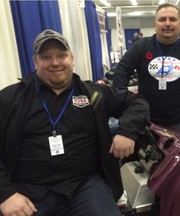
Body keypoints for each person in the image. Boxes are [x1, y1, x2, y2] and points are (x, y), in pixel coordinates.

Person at [0, 29, 150, 216]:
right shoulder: (11, 98)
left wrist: (127, 131)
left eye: (61, 55)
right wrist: (5, 194)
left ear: (72, 59)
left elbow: (136, 102)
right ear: (35, 61)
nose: (55, 63)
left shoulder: (93, 94)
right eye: (46, 57)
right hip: (28, 191)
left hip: (85, 186)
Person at [113, 3, 180, 135]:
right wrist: (125, 103)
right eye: (162, 19)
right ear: (155, 24)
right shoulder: (141, 47)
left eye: (172, 19)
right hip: (145, 119)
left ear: (179, 23)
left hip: (179, 122)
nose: (167, 24)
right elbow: (121, 72)